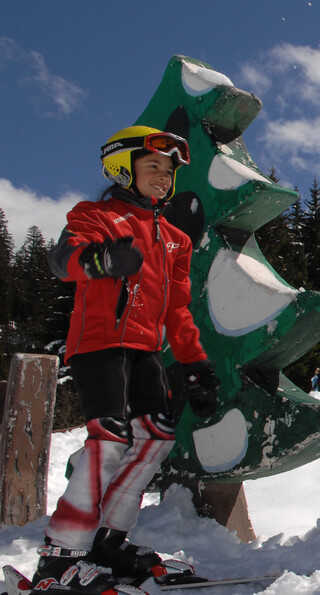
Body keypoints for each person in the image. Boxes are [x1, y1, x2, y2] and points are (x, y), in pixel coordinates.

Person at [39, 125, 220, 593]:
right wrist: (99, 261)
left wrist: (195, 365)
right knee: (110, 437)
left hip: (143, 350)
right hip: (99, 343)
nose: (164, 177)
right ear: (124, 168)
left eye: (169, 170)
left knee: (156, 434)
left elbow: (178, 309)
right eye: (152, 166)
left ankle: (106, 543)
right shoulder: (97, 215)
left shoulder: (174, 239)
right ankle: (59, 559)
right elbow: (64, 259)